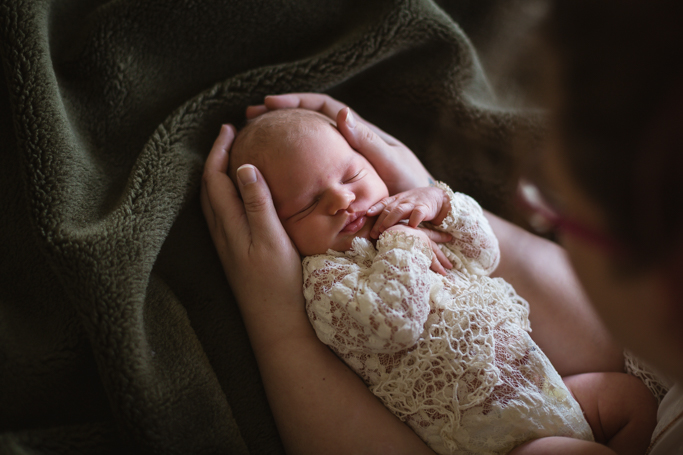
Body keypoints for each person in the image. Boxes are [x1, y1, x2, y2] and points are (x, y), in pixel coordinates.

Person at [219, 108, 655, 454]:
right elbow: (394, 323)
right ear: (279, 232)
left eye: (352, 176)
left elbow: (487, 254)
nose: (342, 199)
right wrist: (404, 245)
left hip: (546, 387)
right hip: (502, 440)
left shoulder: (403, 212)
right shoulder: (325, 281)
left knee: (632, 399)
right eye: (307, 205)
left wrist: (438, 200)